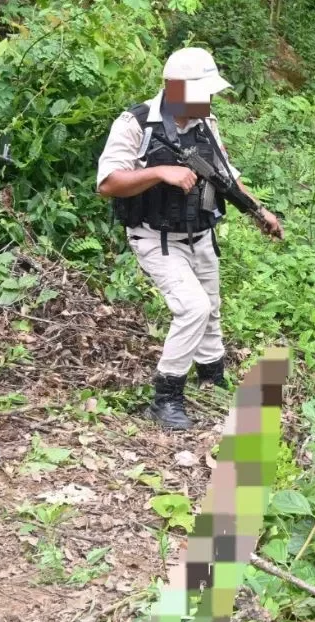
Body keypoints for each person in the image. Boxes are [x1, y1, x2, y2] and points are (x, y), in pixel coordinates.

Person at [97, 47, 283, 431]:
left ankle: (211, 376)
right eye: (201, 92)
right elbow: (108, 183)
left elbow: (226, 177)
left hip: (199, 233)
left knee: (211, 307)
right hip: (154, 236)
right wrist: (160, 172)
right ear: (173, 88)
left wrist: (258, 211)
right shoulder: (136, 124)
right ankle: (166, 396)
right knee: (193, 308)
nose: (209, 99)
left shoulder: (205, 124)